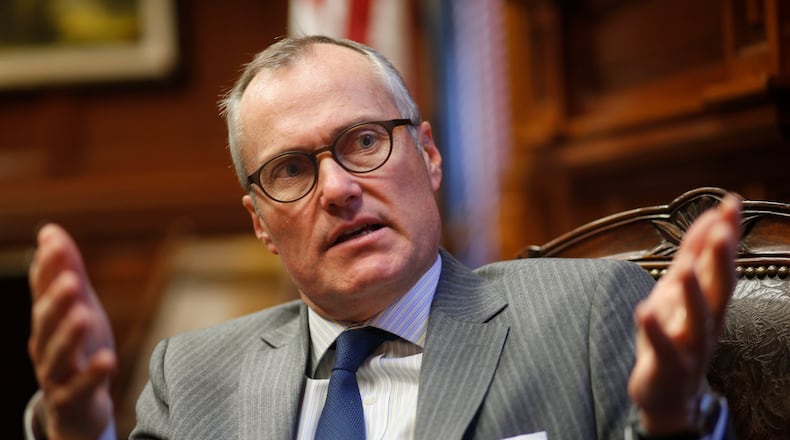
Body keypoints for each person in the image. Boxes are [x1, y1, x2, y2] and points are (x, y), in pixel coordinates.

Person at [26, 35, 741, 439]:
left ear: (428, 155)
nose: (337, 188)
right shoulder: (191, 378)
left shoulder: (582, 315)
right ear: (260, 223)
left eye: (364, 141)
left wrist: (671, 420)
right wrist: (74, 430)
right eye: (291, 169)